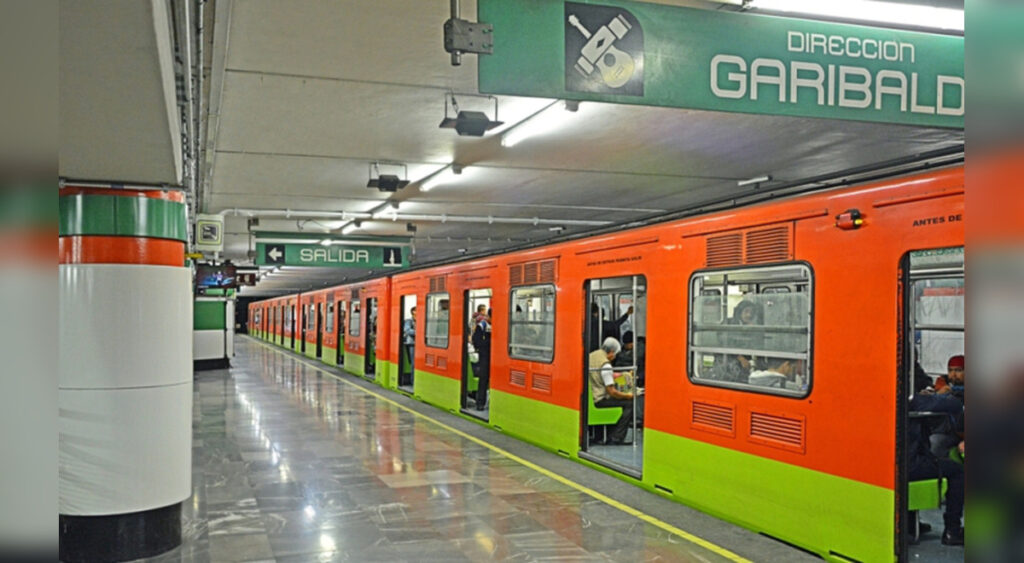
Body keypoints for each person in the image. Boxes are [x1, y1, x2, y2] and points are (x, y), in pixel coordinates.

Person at [908, 391, 965, 545]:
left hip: (892, 464)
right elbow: (954, 404)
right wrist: (936, 395)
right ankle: (952, 530)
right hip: (910, 465)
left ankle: (909, 522)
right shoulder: (912, 400)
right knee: (958, 471)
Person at [588, 337, 635, 445]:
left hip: (591, 396)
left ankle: (606, 434)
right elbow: (612, 392)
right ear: (611, 352)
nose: (614, 358)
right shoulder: (606, 365)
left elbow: (599, 376)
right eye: (615, 355)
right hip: (600, 399)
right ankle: (616, 438)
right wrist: (628, 396)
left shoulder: (592, 355)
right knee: (629, 404)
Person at [472, 308, 491, 410]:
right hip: (484, 356)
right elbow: (476, 341)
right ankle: (480, 403)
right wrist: (489, 343)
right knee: (483, 379)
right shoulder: (482, 326)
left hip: (495, 357)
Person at [402, 307, 416, 384]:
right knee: (414, 363)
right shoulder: (409, 321)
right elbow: (407, 330)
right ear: (413, 312)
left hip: (420, 344)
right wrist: (419, 332)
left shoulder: (422, 320)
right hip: (412, 344)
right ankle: (412, 380)